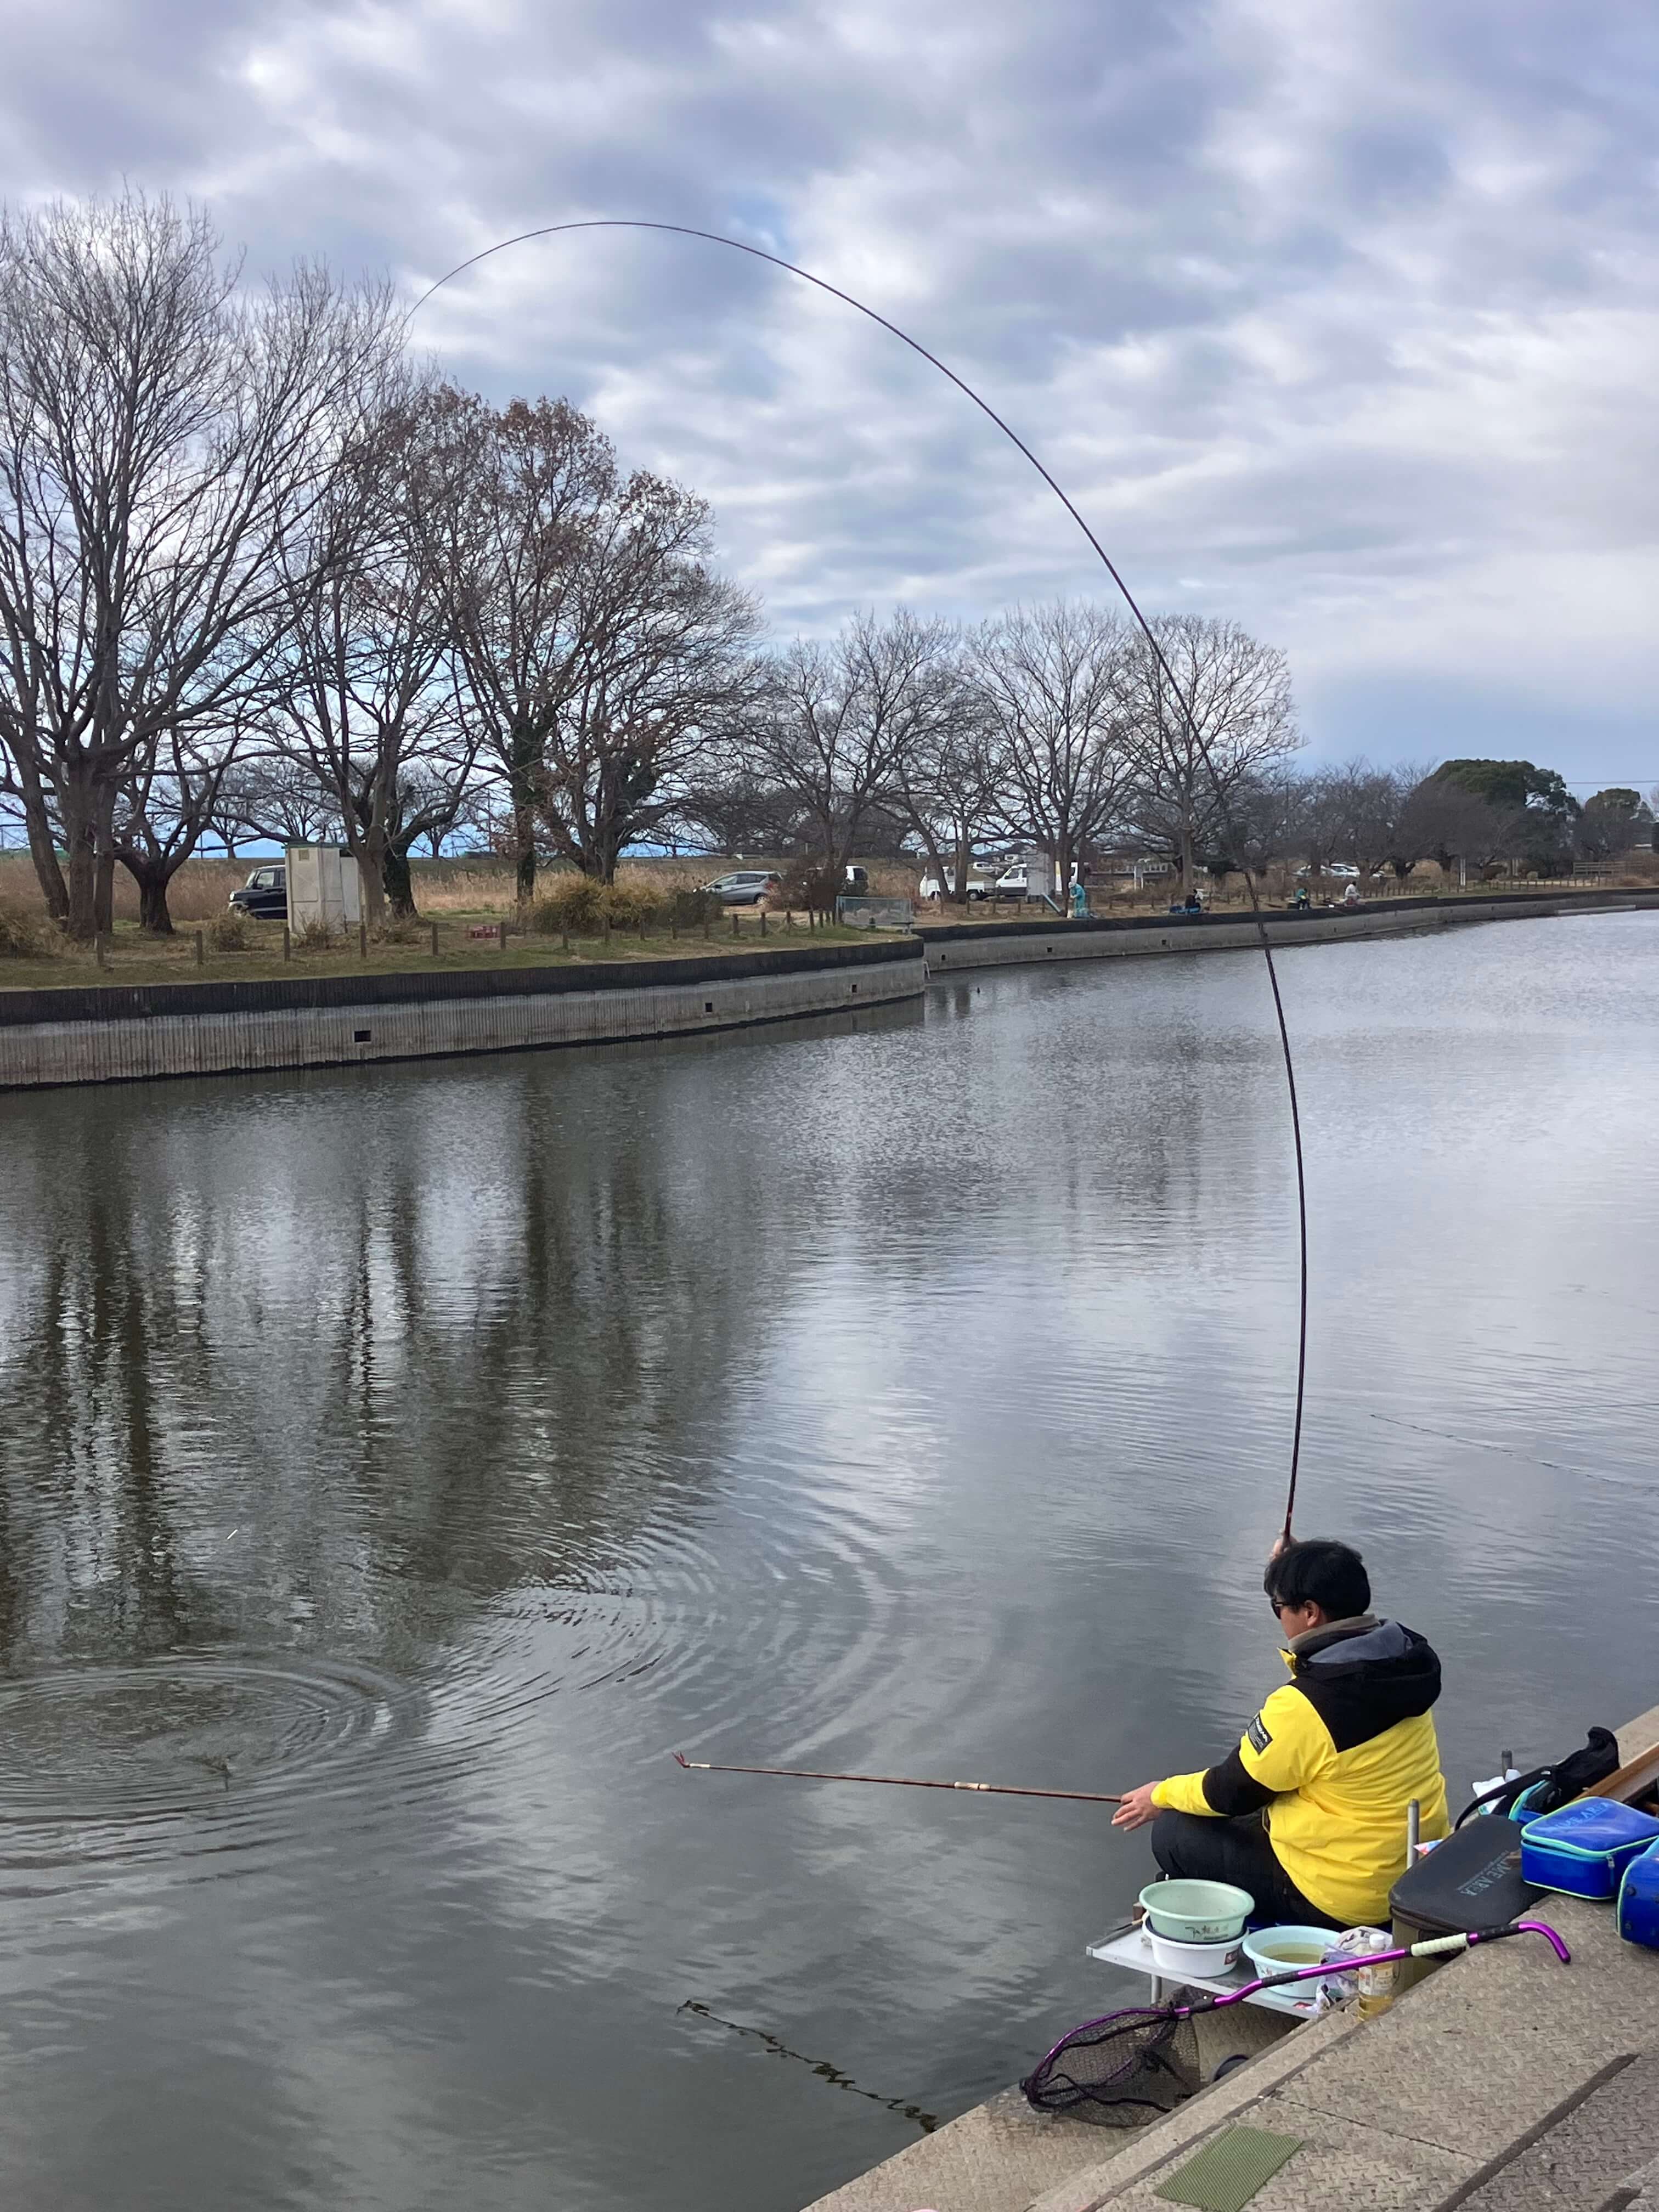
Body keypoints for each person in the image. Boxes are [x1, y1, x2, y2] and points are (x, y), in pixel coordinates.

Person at [1111, 1538, 1449, 1929]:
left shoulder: (1306, 1706)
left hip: (1346, 1899)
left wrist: (1159, 1795)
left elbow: (1228, 1792)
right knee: (1270, 1793)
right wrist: (1300, 1566)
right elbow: (1335, 1651)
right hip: (1413, 1867)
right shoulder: (1405, 1657)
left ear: (1310, 1612)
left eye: (1279, 1607)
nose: (1278, 1617)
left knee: (1174, 1832)